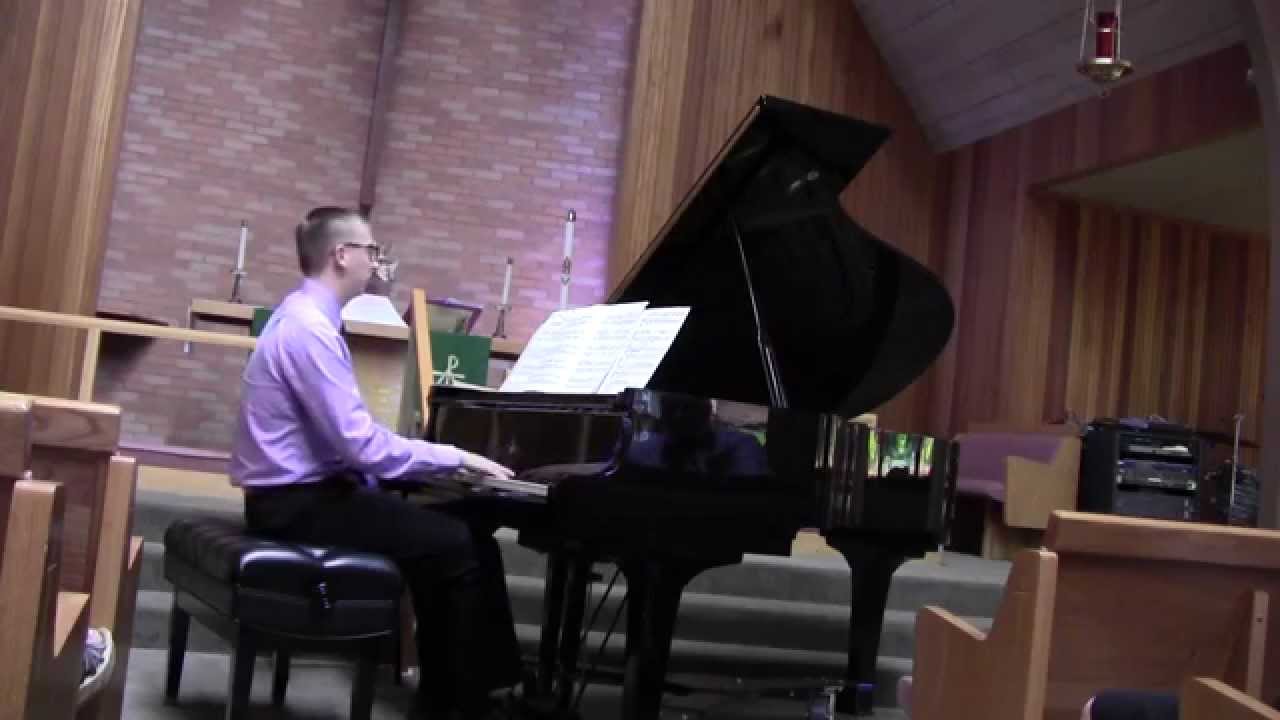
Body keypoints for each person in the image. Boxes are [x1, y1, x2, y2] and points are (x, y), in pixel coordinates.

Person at [229, 206, 527, 720]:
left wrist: (418, 475)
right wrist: (453, 457)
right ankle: (450, 706)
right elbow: (360, 447)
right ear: (341, 255)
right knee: (449, 544)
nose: (377, 262)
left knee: (472, 534)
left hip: (309, 494)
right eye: (372, 251)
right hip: (295, 505)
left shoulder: (307, 317)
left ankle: (493, 692)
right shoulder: (308, 330)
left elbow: (352, 447)